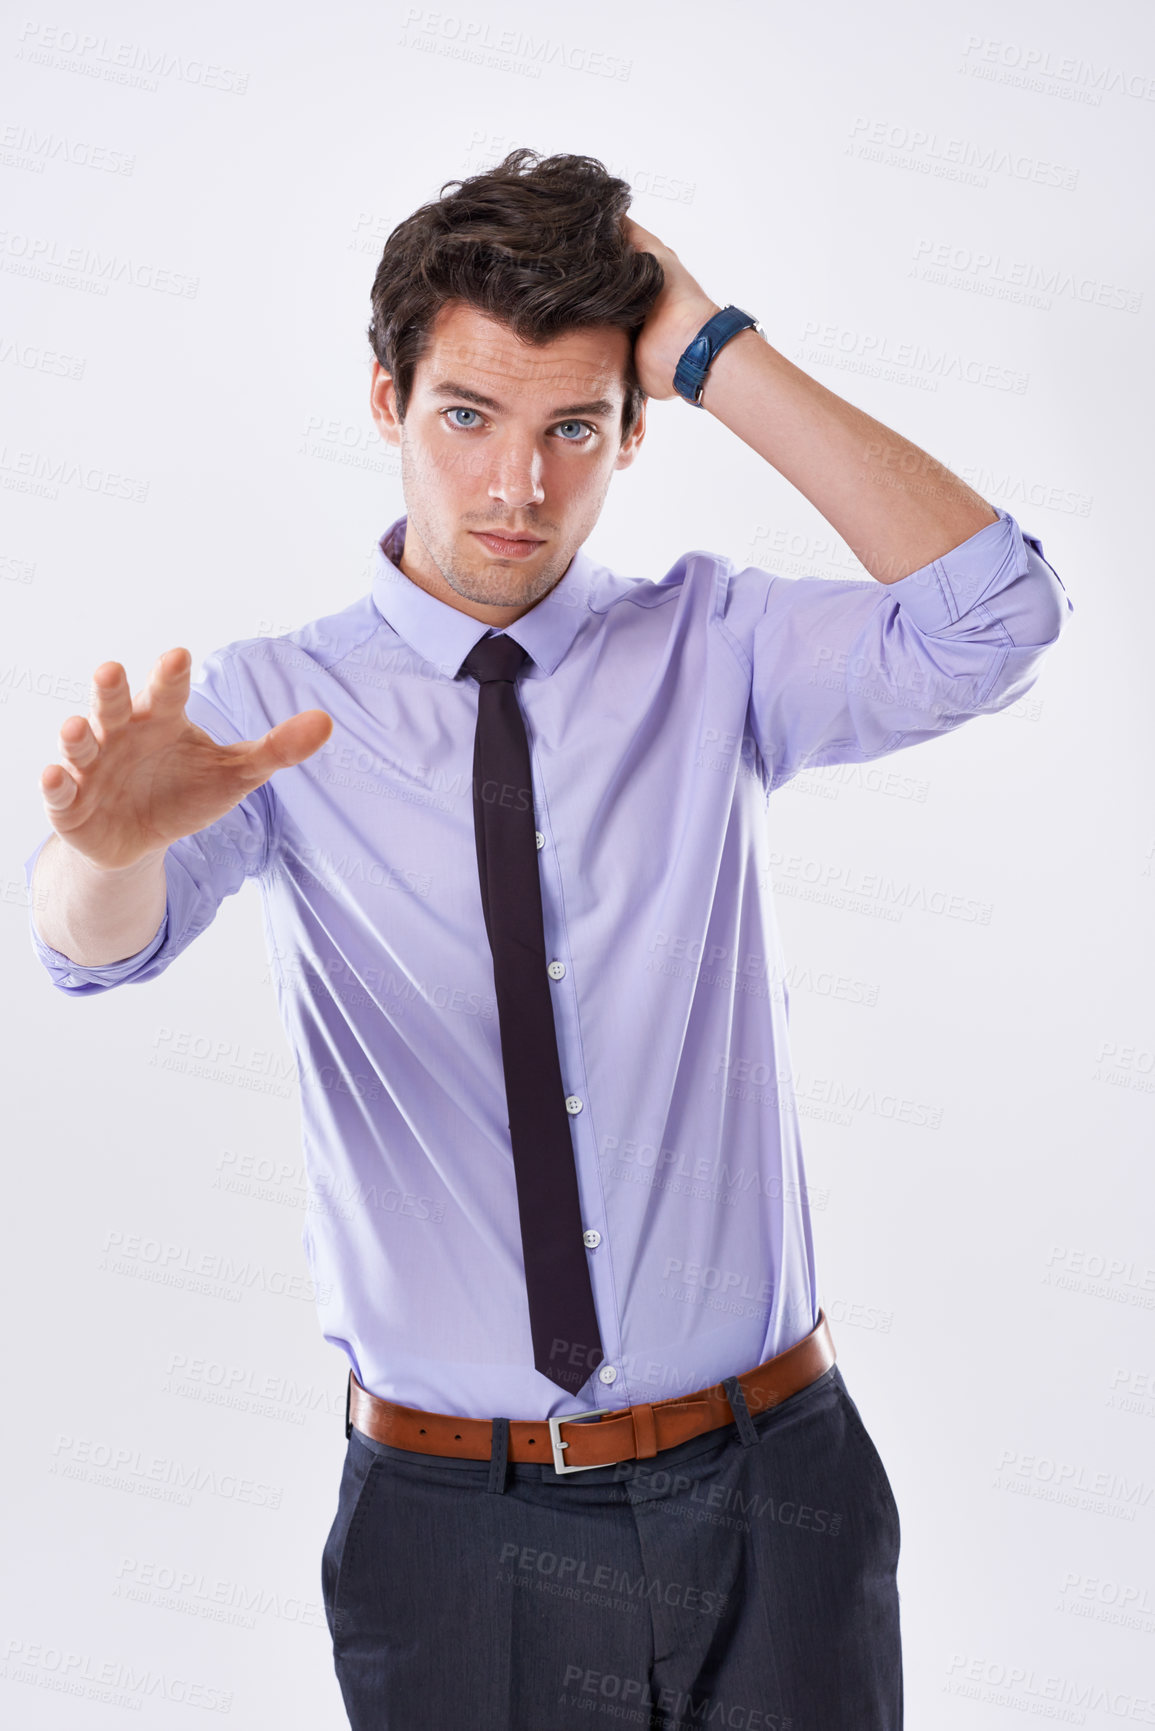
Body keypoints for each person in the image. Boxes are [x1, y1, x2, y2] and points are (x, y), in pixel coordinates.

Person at [24, 148, 1074, 1730]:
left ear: (632, 433)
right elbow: (92, 949)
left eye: (573, 428)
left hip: (773, 1497)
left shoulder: (715, 648)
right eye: (469, 418)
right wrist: (101, 850)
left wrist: (713, 346)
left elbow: (996, 615)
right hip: (455, 1532)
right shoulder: (267, 712)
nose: (517, 488)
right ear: (386, 402)